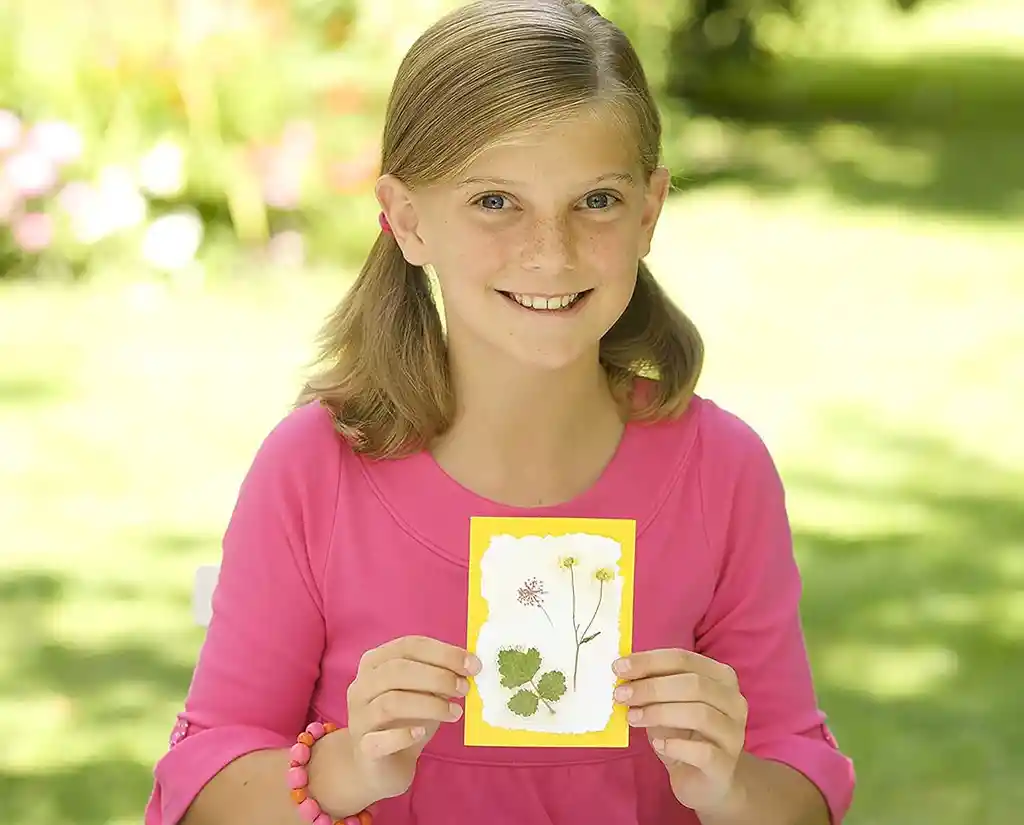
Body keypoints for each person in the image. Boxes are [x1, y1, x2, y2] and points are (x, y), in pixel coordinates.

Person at [145, 1, 855, 823]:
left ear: (649, 212)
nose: (549, 250)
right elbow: (198, 792)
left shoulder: (723, 472)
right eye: (494, 201)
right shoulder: (315, 469)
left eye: (595, 201)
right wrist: (347, 765)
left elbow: (801, 783)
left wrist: (730, 787)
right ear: (408, 220)